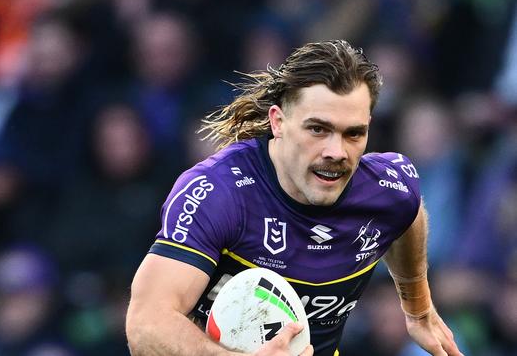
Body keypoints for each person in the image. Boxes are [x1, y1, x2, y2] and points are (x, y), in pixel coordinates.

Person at [125, 40, 463, 356]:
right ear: (278, 122)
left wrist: (418, 309)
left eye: (354, 133)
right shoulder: (219, 192)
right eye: (318, 129)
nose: (336, 152)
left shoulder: (388, 189)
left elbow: (409, 212)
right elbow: (146, 324)